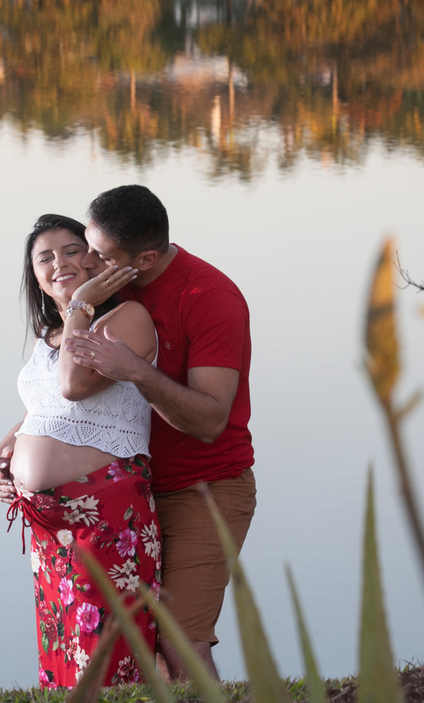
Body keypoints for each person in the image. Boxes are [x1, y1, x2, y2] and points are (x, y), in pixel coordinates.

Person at [62, 185, 255, 683]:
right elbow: (69, 389)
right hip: (129, 496)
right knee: (136, 643)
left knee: (181, 643)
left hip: (205, 490)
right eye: (88, 247)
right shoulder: (112, 286)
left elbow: (211, 421)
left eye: (100, 256)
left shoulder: (210, 298)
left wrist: (136, 372)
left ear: (144, 259)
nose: (88, 263)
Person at [0, 213, 161, 689]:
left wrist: (82, 303)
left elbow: (75, 386)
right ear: (35, 277)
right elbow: (43, 412)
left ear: (97, 260)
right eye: (45, 257)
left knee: (107, 659)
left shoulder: (127, 319)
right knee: (64, 652)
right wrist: (2, 455)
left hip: (106, 515)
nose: (59, 263)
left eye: (71, 250)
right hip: (48, 525)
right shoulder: (49, 340)